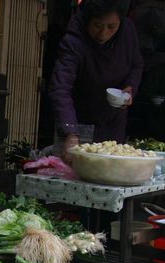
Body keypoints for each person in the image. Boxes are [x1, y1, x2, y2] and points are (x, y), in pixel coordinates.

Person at [48, 0, 144, 159]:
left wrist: (130, 86)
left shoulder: (128, 32)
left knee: (113, 168)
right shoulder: (73, 41)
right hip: (79, 121)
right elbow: (60, 88)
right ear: (87, 20)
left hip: (114, 120)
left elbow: (136, 64)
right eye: (97, 25)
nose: (103, 33)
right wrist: (70, 132)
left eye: (111, 27)